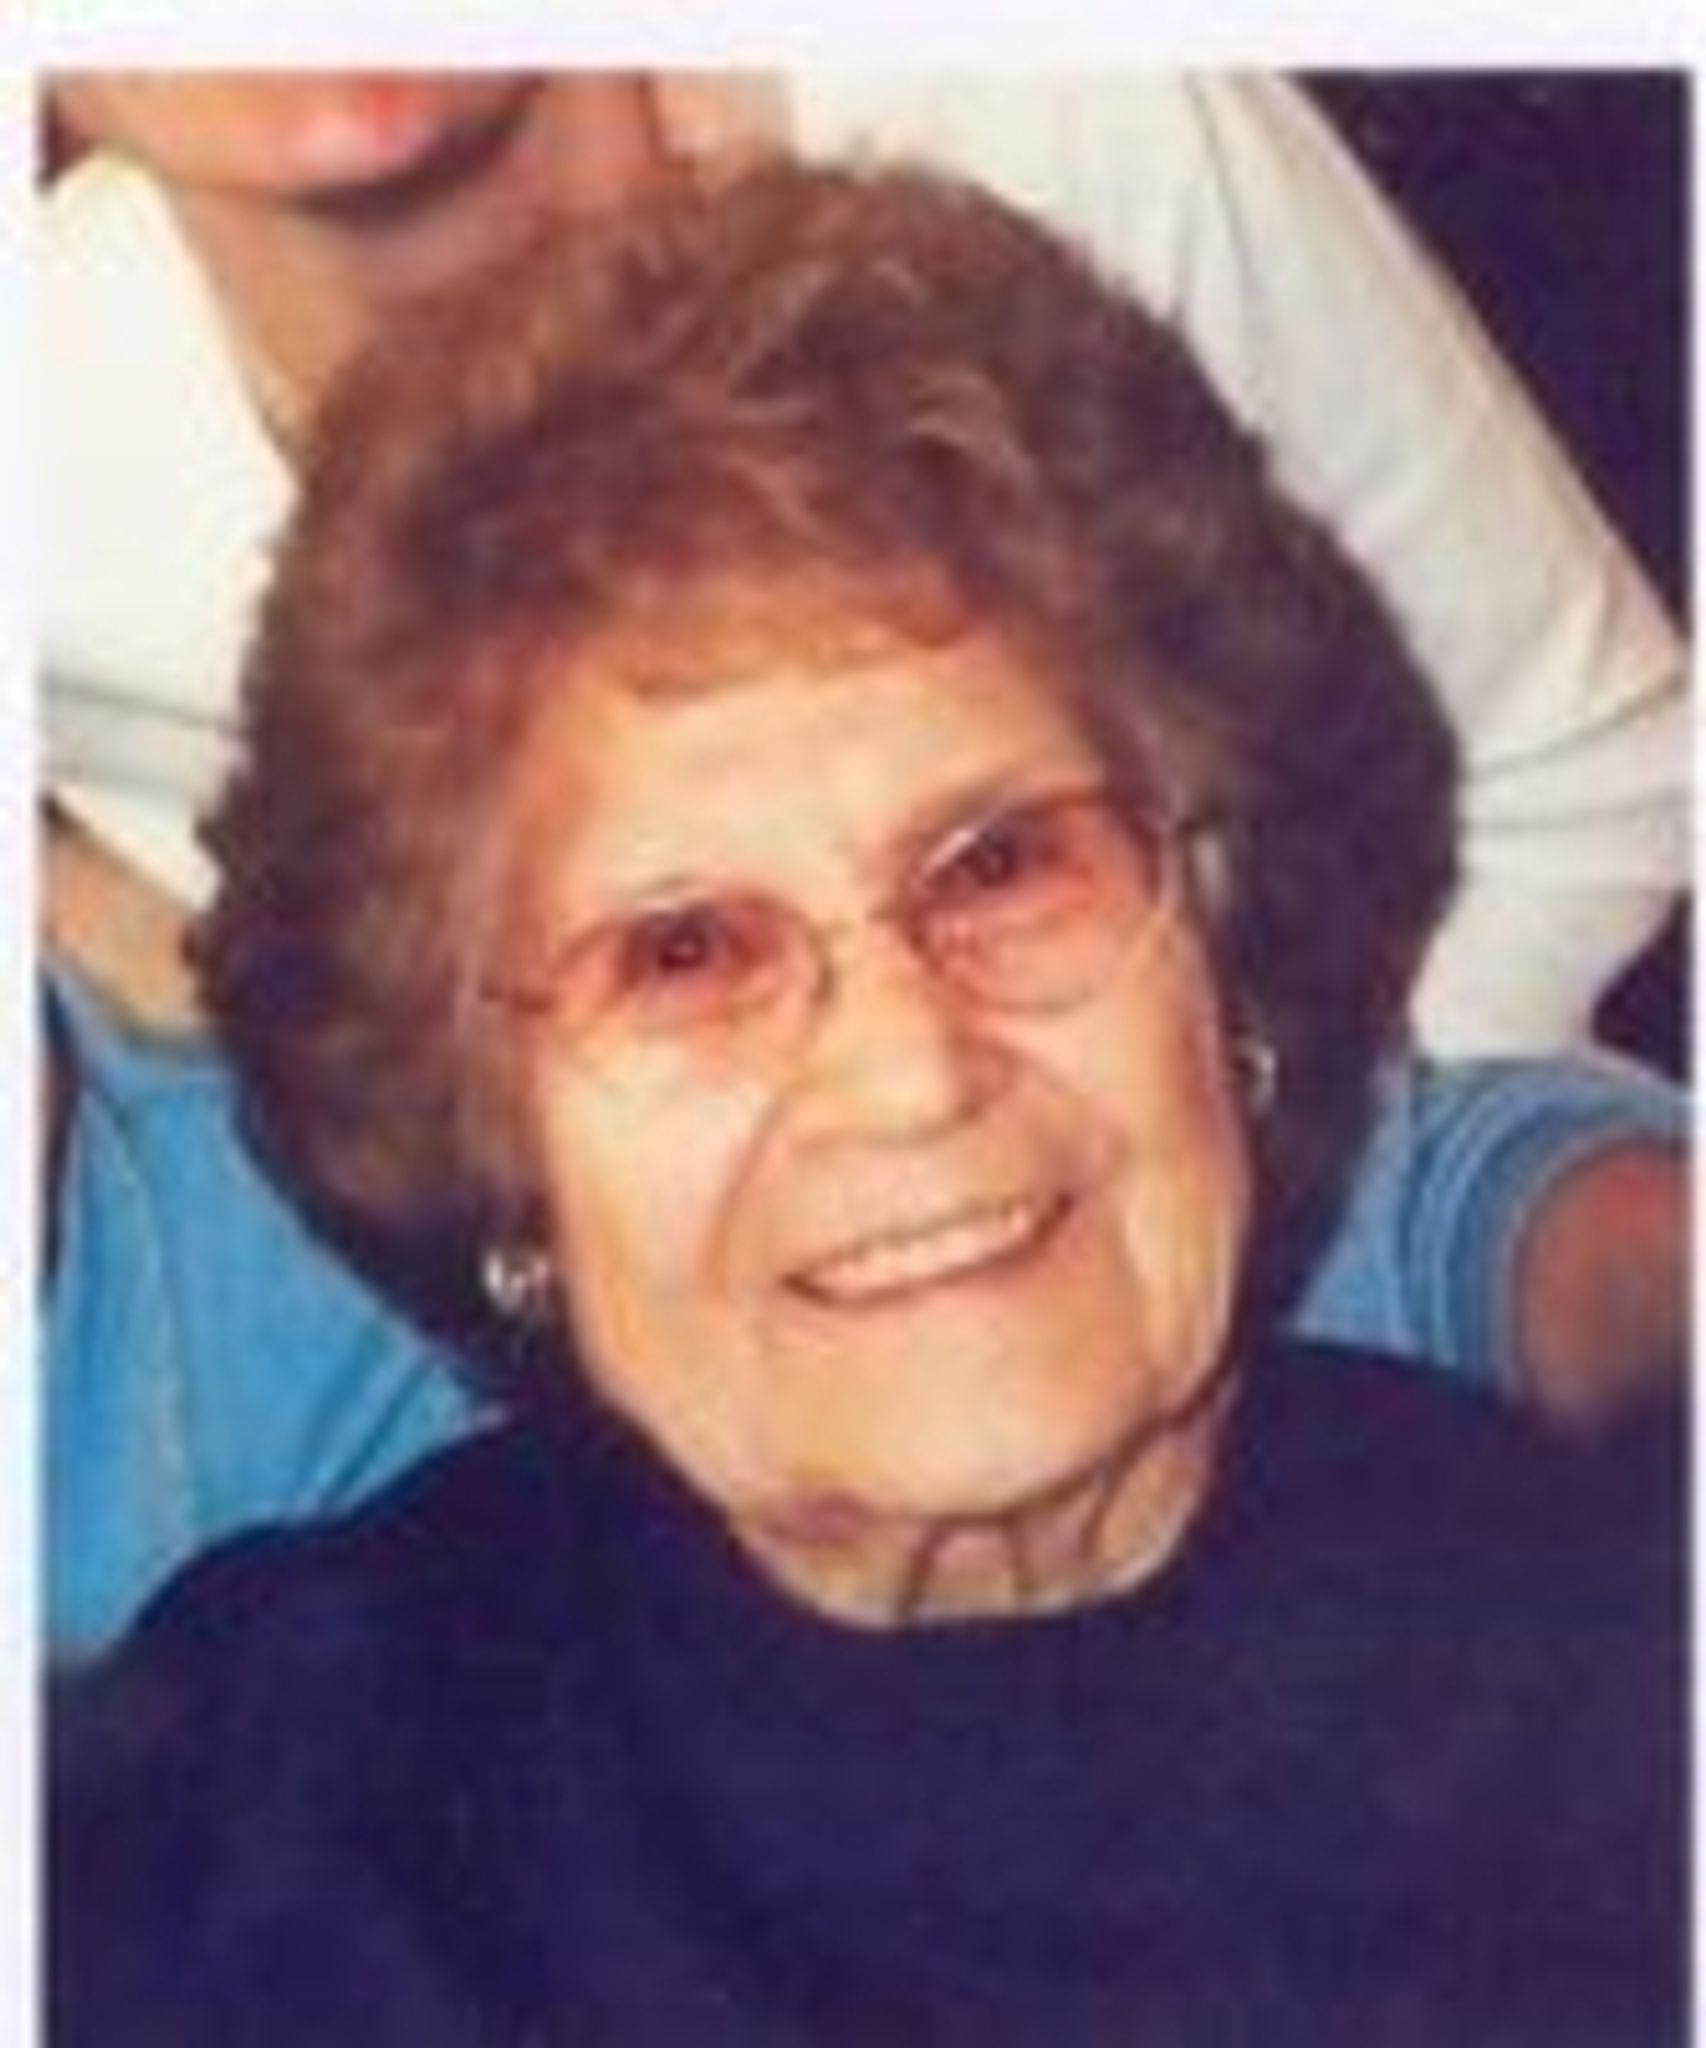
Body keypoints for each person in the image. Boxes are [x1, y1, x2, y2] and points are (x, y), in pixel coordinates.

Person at [51, 161, 1681, 2047]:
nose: (908, 1072)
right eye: (682, 952)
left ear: (1220, 939)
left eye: (1000, 864)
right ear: (490, 1130)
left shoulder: (1628, 1668)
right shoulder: (256, 1828)